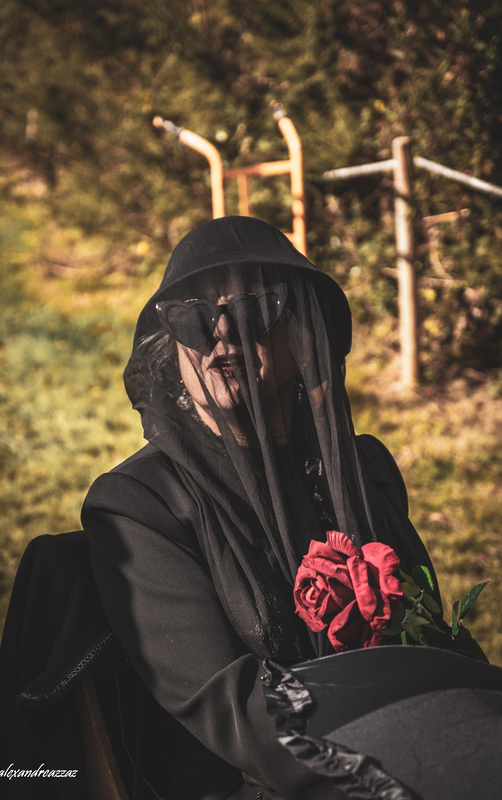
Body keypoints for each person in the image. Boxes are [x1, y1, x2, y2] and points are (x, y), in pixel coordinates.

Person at [81, 216, 438, 800]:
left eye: (253, 308)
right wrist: (392, 771)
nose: (222, 332)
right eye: (192, 316)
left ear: (304, 332)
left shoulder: (363, 470)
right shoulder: (138, 508)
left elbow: (424, 634)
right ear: (170, 348)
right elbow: (233, 711)